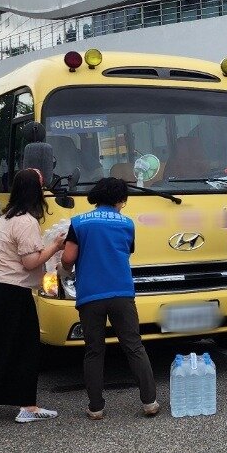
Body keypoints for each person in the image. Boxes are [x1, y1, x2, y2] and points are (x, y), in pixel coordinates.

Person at [0, 168, 65, 422]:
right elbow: (30, 263)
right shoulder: (27, 221)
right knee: (25, 347)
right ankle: (27, 407)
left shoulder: (10, 217)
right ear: (37, 191)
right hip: (11, 290)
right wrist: (56, 245)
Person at [60, 177, 158, 420]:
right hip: (122, 292)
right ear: (120, 199)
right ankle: (149, 402)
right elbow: (125, 251)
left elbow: (68, 258)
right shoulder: (127, 223)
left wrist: (64, 267)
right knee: (134, 346)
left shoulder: (79, 222)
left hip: (91, 294)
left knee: (94, 350)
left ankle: (96, 407)